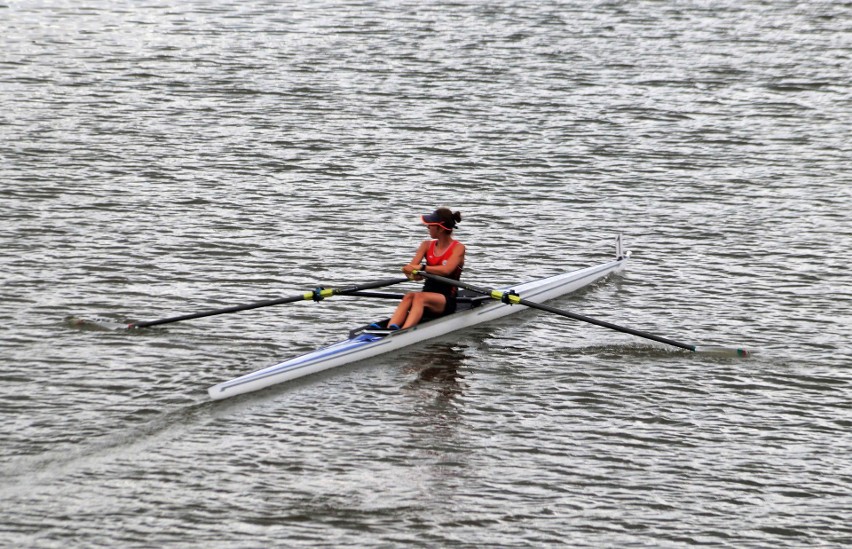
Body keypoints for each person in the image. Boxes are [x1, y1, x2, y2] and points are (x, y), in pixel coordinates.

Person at [383, 208, 465, 330]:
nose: (427, 227)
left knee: (419, 297)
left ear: (440, 228)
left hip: (446, 298)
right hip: (427, 294)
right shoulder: (426, 245)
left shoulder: (458, 248)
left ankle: (404, 332)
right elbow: (413, 274)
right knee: (409, 296)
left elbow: (446, 270)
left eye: (430, 225)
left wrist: (422, 268)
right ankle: (390, 328)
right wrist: (410, 273)